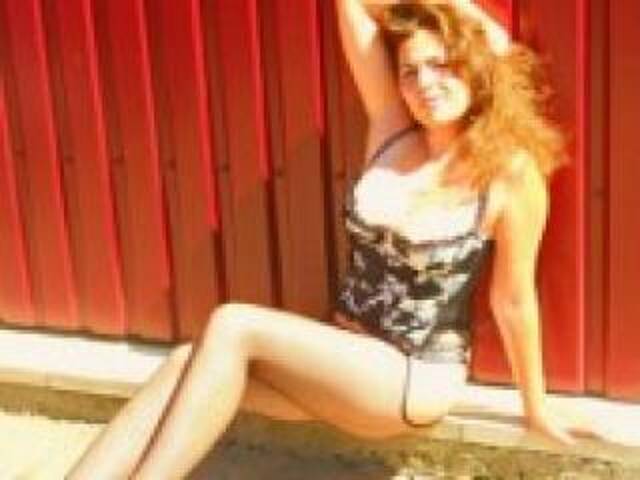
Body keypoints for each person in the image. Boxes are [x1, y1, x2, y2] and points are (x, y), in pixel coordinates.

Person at [68, 1, 588, 478]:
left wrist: (536, 407)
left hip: (411, 374)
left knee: (233, 324)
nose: (425, 83)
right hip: (342, 358)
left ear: (475, 67)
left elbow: (513, 299)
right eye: (410, 71)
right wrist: (435, 12)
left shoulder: (509, 173)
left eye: (442, 64)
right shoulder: (392, 131)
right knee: (185, 362)